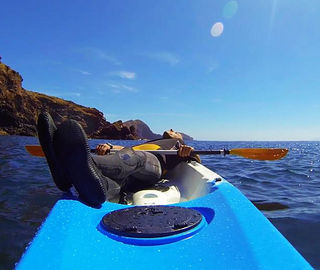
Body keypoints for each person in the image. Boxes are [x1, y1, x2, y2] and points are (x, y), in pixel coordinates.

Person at [37, 112, 196, 207]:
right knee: (115, 180)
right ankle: (92, 185)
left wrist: (187, 151)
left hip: (152, 167)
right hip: (131, 174)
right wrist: (109, 146)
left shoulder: (177, 144)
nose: (172, 130)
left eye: (176, 131)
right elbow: (125, 151)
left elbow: (195, 158)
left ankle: (68, 162)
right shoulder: (150, 142)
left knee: (132, 157)